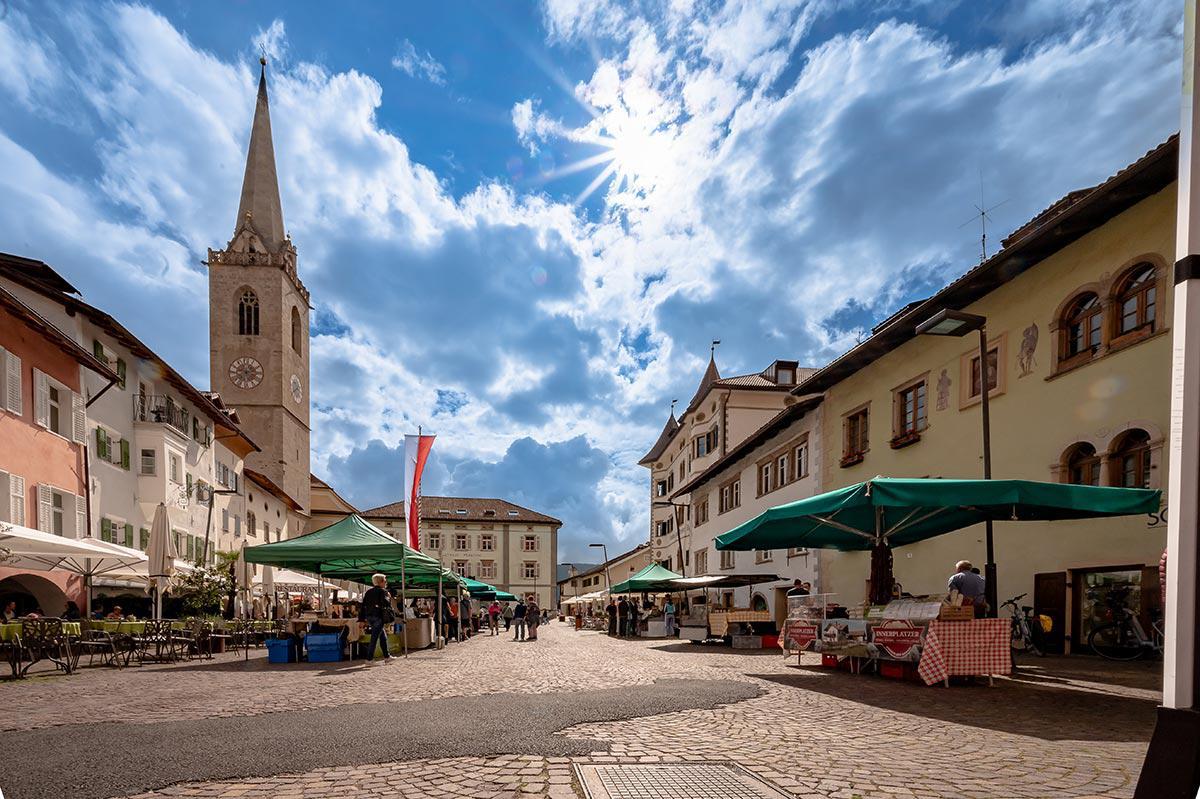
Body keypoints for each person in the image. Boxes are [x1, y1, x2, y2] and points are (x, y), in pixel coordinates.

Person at [359, 573, 395, 662]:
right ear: (381, 582)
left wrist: (362, 619)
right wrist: (389, 597)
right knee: (374, 638)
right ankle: (369, 659)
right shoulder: (383, 591)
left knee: (383, 637)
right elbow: (386, 604)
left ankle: (387, 657)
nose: (386, 583)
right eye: (385, 581)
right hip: (378, 617)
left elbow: (363, 606)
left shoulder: (368, 592)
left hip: (369, 617)